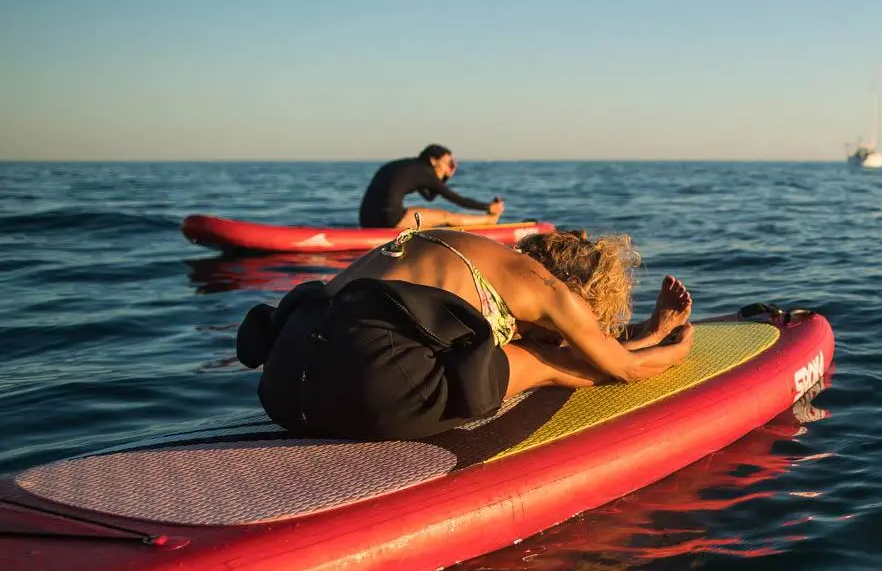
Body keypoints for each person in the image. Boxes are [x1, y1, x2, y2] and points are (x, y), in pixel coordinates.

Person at [236, 225, 695, 440]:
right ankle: (657, 336)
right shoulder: (551, 291)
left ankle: (651, 333)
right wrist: (674, 350)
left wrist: (647, 334)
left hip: (282, 382)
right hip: (370, 386)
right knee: (537, 364)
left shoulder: (456, 246)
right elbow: (626, 369)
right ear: (578, 291)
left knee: (512, 353)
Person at [357, 144, 504, 229]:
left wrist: (444, 176)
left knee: (425, 212)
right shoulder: (424, 173)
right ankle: (487, 221)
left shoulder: (414, 167)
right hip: (389, 220)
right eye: (448, 164)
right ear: (434, 160)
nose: (449, 168)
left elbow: (429, 197)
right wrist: (488, 207)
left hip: (366, 219)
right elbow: (456, 199)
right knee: (446, 217)